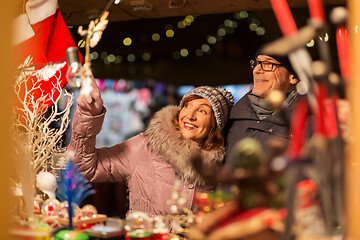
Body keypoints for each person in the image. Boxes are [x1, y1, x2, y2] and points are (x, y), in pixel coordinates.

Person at [69, 80, 234, 217]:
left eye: (203, 111)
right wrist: (88, 116)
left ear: (215, 125)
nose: (190, 115)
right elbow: (85, 168)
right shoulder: (146, 146)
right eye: (188, 106)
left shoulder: (218, 167)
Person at [224, 49, 300, 163]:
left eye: (268, 64)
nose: (257, 70)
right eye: (257, 63)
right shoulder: (231, 120)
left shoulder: (310, 122)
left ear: (293, 76)